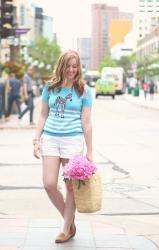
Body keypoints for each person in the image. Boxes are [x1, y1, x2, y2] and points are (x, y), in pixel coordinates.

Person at [33, 50, 93, 243]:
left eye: (75, 66)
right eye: (68, 65)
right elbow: (42, 115)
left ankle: (65, 228)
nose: (71, 70)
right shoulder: (50, 88)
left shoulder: (83, 89)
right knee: (49, 184)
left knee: (71, 187)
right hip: (50, 139)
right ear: (62, 66)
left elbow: (87, 122)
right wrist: (36, 139)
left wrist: (90, 150)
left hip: (73, 141)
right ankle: (69, 219)